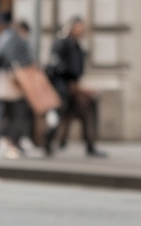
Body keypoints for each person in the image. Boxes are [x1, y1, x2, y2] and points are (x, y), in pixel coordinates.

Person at [45, 18, 106, 157]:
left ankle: (90, 146)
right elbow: (54, 65)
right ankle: (48, 142)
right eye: (78, 28)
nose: (80, 31)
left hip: (74, 85)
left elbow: (79, 66)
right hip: (63, 85)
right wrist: (66, 81)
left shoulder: (78, 45)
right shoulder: (62, 42)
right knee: (58, 113)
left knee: (86, 112)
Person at [0, 19, 34, 158]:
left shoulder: (4, 36)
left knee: (4, 111)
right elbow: (15, 59)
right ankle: (9, 140)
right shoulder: (13, 39)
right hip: (12, 80)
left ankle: (2, 139)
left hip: (5, 79)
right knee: (16, 112)